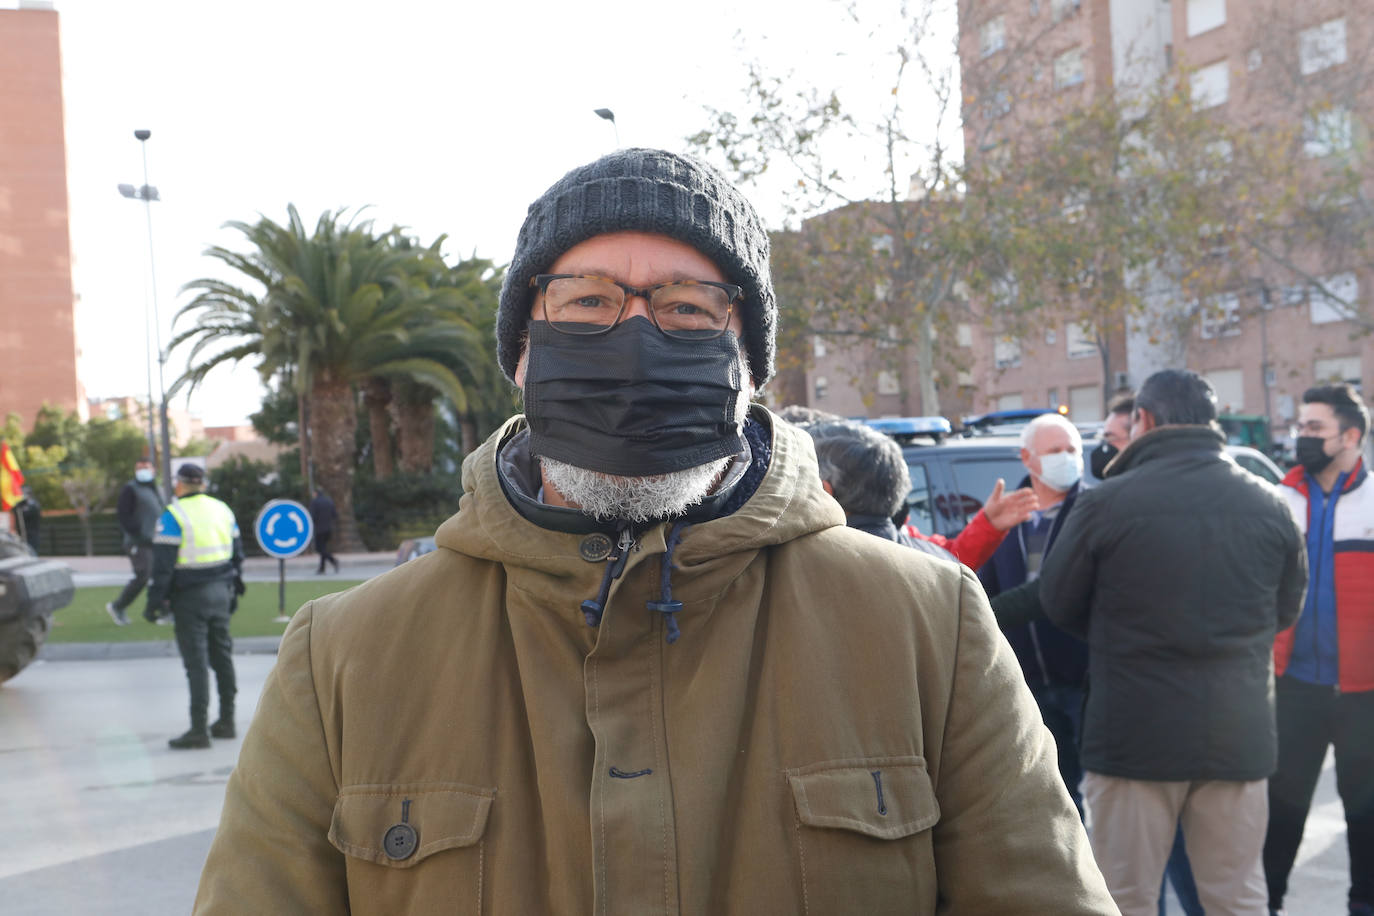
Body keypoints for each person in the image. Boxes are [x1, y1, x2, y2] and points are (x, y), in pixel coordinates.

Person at [194, 148, 1115, 913]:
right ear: (520, 352)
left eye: (686, 308)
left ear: (749, 361)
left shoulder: (923, 625)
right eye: (587, 302)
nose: (634, 337)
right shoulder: (348, 656)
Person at [1040, 368, 1307, 916]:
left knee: (1124, 898)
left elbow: (1058, 602)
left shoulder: (1106, 503)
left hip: (1134, 736)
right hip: (1237, 737)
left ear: (1145, 420)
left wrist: (1119, 632)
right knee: (1236, 898)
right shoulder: (1271, 503)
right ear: (1212, 424)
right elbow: (1284, 610)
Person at [1264, 383, 1374, 916]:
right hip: (1293, 689)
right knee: (1279, 818)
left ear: (1350, 436)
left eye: (1314, 429)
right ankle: (1266, 904)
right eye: (1300, 427)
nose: (1301, 437)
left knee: (1367, 817)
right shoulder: (1278, 499)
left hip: (1364, 695)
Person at [977, 411, 1089, 815]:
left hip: (1084, 682)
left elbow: (1055, 592)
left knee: (1103, 794)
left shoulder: (1093, 511)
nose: (1067, 458)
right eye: (1055, 451)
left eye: (1072, 449)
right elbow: (980, 584)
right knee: (1054, 797)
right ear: (1028, 458)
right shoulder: (1008, 518)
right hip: (1027, 684)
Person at [806, 419, 1036, 567]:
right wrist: (986, 526)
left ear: (826, 490)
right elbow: (950, 562)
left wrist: (987, 526)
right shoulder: (935, 565)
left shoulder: (801, 571)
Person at [146, 464, 244, 750]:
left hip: (189, 597)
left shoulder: (173, 514)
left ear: (179, 484)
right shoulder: (222, 510)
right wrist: (234, 590)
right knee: (223, 657)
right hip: (221, 593)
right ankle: (227, 721)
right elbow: (238, 557)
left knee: (196, 663)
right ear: (202, 483)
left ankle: (199, 729)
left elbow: (162, 566)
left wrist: (154, 603)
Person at [105, 457, 164, 626]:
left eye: (146, 467)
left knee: (162, 575)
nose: (142, 471)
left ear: (153, 469)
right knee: (143, 576)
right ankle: (118, 606)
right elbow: (123, 515)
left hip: (157, 541)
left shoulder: (156, 489)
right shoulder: (130, 489)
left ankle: (163, 610)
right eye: (139, 468)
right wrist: (137, 531)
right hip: (139, 542)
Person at [309, 487, 339, 574]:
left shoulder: (315, 502)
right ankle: (322, 568)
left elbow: (312, 516)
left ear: (316, 493)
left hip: (319, 529)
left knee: (319, 548)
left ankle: (333, 560)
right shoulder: (329, 501)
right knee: (323, 548)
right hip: (329, 528)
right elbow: (335, 515)